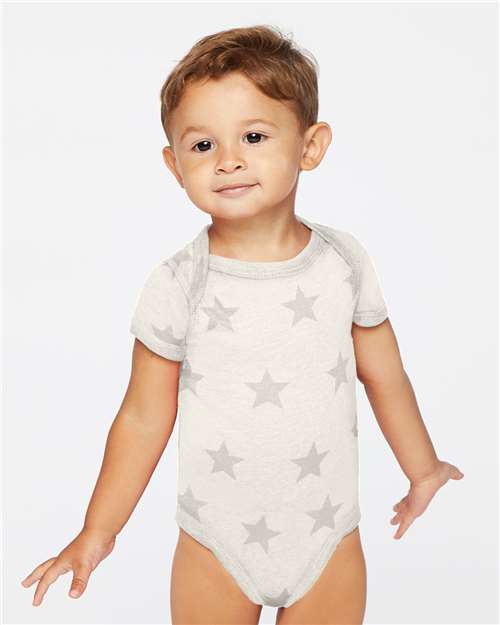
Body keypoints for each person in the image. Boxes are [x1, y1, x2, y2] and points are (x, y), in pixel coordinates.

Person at [21, 24, 464, 625]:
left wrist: (423, 470)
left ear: (310, 146)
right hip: (215, 542)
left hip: (327, 535)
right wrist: (98, 531)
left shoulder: (343, 262)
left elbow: (386, 375)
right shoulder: (179, 283)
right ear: (174, 164)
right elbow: (144, 415)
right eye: (203, 145)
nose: (228, 160)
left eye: (254, 136)